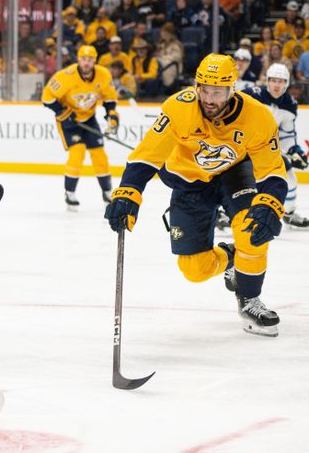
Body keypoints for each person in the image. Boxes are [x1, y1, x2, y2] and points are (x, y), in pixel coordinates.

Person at [105, 54, 288, 337]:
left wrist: (270, 204)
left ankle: (249, 298)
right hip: (189, 182)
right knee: (195, 270)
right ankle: (231, 258)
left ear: (232, 89)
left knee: (250, 230)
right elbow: (147, 155)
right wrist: (128, 192)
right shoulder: (178, 108)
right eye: (205, 90)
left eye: (218, 92)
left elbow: (273, 171)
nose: (210, 99)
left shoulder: (257, 116)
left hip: (234, 174)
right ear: (197, 86)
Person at [42, 44, 119, 210]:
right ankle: (70, 193)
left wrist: (111, 114)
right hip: (69, 121)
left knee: (99, 155)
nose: (86, 62)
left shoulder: (103, 75)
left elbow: (109, 98)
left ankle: (107, 191)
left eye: (90, 59)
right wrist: (62, 112)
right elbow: (46, 96)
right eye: (83, 59)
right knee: (77, 154)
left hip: (89, 118)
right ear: (78, 59)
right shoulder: (66, 76)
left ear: (95, 60)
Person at [242, 64, 309, 228]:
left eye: (281, 81)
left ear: (286, 84)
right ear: (267, 81)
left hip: (265, 149)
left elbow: (286, 135)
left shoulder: (289, 104)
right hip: (242, 145)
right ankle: (224, 211)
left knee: (288, 174)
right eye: (273, 81)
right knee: (236, 177)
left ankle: (288, 213)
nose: (276, 85)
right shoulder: (252, 94)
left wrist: (294, 151)